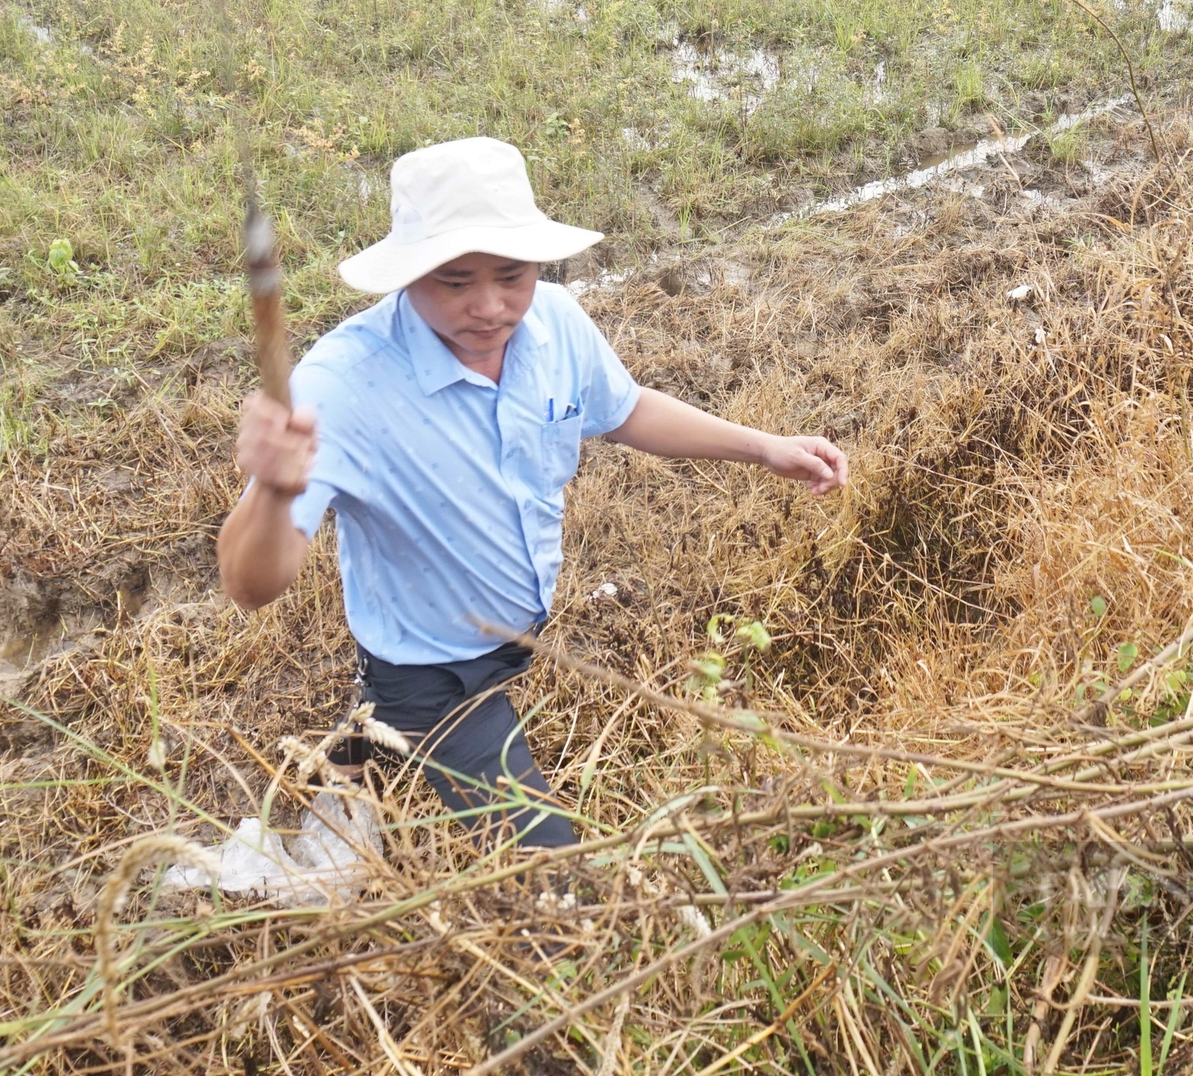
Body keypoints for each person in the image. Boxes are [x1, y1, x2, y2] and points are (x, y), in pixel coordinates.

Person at [219, 137, 849, 850]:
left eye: (510, 275)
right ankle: (389, 726)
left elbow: (625, 407)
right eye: (454, 280)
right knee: (551, 869)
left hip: (515, 635)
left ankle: (363, 747)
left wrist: (764, 446)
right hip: (433, 673)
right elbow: (250, 583)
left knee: (393, 735)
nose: (489, 307)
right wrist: (272, 491)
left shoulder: (554, 322)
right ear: (409, 275)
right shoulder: (340, 385)